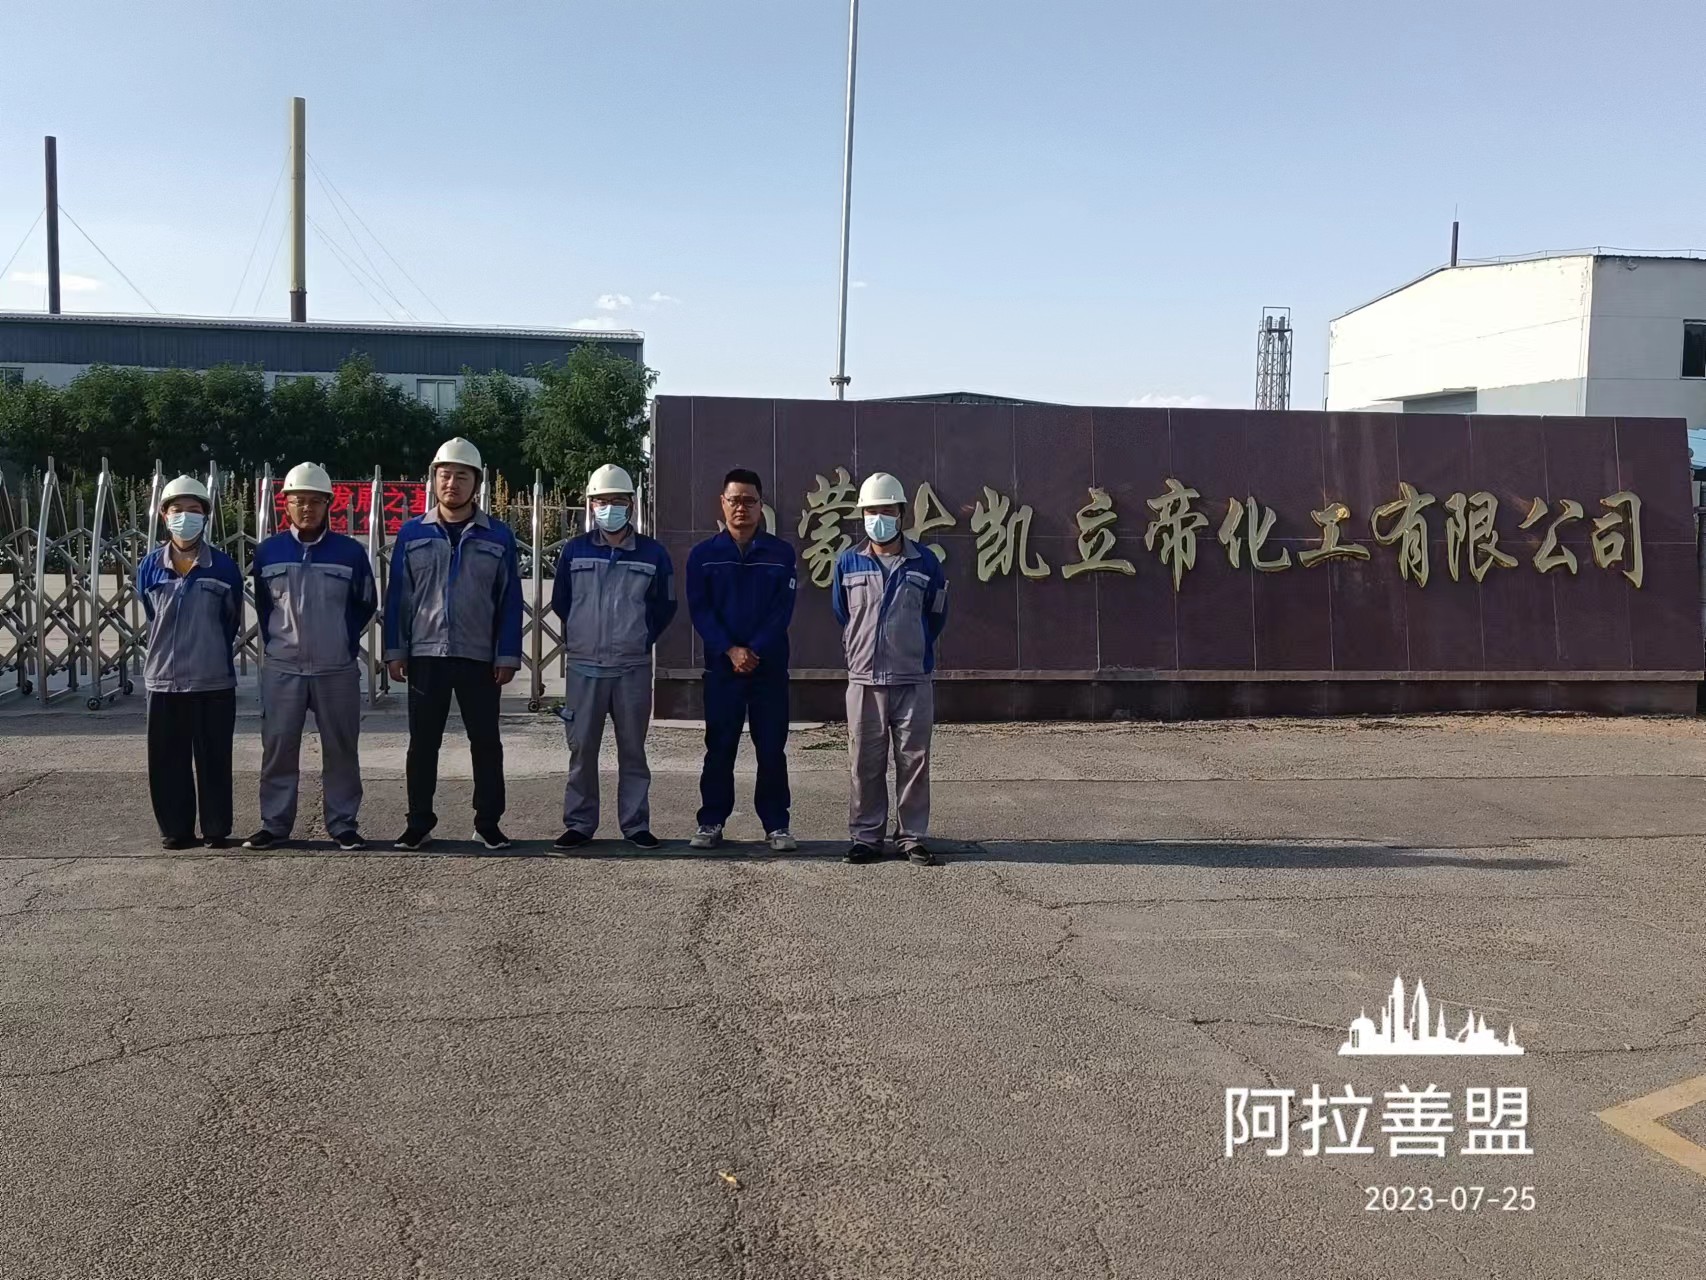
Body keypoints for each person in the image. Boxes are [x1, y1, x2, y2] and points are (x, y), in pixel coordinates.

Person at [383, 437, 523, 851]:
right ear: (433, 479)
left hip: (480, 657)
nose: (452, 483)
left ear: (476, 483)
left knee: (487, 743)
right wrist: (395, 650)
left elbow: (509, 599)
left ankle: (488, 822)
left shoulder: (498, 536)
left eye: (462, 476)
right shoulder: (412, 533)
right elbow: (399, 596)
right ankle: (418, 823)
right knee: (423, 744)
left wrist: (507, 653)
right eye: (445, 475)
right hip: (426, 655)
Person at [243, 462, 377, 852]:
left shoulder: (350, 552)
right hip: (283, 667)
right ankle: (274, 824)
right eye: (299, 500)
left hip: (336, 669)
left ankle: (343, 824)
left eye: (315, 501)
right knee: (278, 748)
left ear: (328, 505)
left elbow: (365, 603)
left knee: (341, 749)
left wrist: (341, 639)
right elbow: (265, 606)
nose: (307, 508)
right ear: (285, 504)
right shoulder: (268, 552)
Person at [549, 464, 677, 852]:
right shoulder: (574, 551)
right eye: (602, 501)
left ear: (632, 505)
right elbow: (562, 601)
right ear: (591, 505)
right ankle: (579, 824)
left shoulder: (653, 553)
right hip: (584, 667)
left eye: (617, 501)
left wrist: (639, 638)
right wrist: (584, 636)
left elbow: (665, 606)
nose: (609, 508)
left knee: (633, 751)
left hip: (631, 668)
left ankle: (636, 825)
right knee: (581, 750)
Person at [830, 472, 948, 866]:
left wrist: (909, 646)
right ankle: (866, 837)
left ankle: (911, 836)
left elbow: (936, 615)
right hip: (864, 678)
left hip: (912, 679)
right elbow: (842, 613)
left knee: (914, 761)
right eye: (871, 511)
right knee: (864, 761)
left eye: (886, 510)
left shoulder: (925, 562)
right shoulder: (847, 562)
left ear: (901, 513)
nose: (878, 518)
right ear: (862, 515)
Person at [685, 468, 798, 852]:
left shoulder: (781, 554)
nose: (741, 508)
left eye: (749, 501)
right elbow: (700, 611)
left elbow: (782, 611)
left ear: (761, 505)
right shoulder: (703, 556)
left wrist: (755, 650)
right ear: (722, 503)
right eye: (734, 500)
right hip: (722, 668)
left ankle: (777, 824)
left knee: (771, 748)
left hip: (769, 667)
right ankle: (711, 821)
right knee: (720, 747)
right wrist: (730, 650)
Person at [136, 474, 246, 850]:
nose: (185, 516)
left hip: (212, 678)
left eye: (194, 510)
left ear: (205, 516)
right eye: (178, 510)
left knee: (214, 757)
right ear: (164, 516)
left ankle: (216, 828)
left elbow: (231, 619)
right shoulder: (150, 566)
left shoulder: (223, 567)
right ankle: (176, 828)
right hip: (163, 679)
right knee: (167, 759)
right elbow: (151, 613)